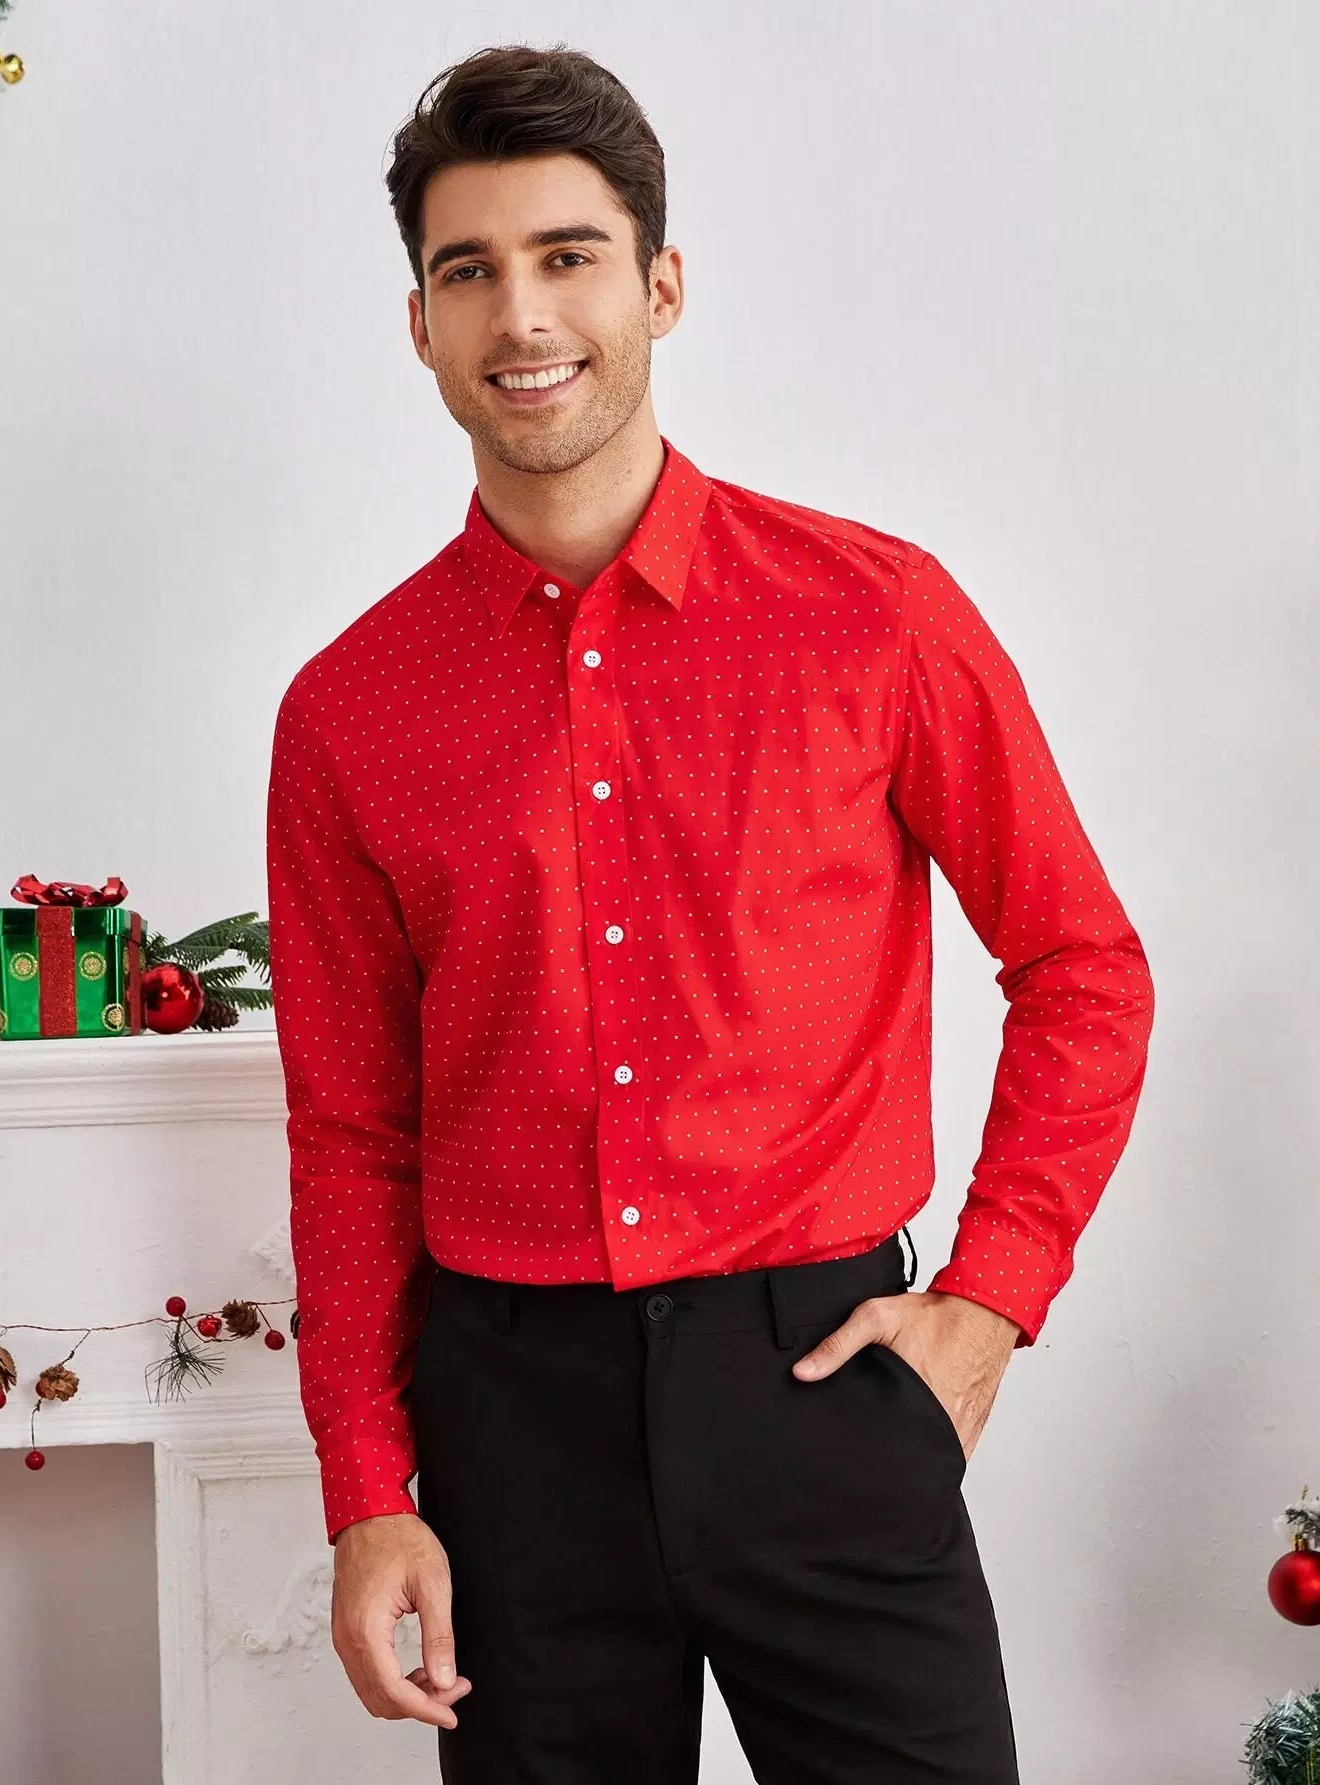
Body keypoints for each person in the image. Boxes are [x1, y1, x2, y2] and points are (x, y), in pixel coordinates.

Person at [265, 41, 1155, 1784]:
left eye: (569, 255)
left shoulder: (874, 618)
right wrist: (369, 1488)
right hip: (513, 1433)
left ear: (660, 286)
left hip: (823, 1388)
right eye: (470, 270)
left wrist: (988, 1301)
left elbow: (1082, 966)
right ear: (421, 324)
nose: (524, 313)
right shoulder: (350, 712)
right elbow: (351, 1129)